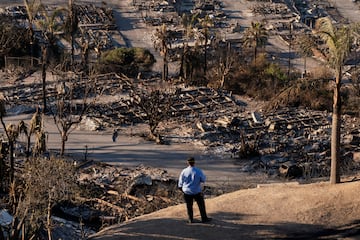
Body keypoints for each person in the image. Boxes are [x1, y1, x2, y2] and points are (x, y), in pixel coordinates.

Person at [178, 157, 211, 224]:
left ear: (187, 162)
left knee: (189, 206)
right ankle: (204, 218)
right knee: (201, 205)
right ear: (194, 162)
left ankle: (190, 219)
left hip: (187, 191)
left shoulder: (184, 171)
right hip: (196, 191)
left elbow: (180, 182)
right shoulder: (198, 171)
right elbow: (203, 180)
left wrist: (181, 189)